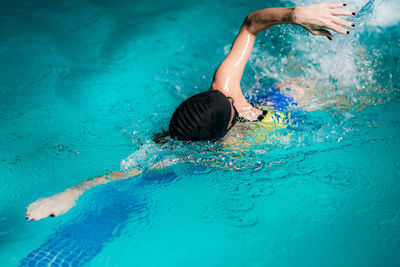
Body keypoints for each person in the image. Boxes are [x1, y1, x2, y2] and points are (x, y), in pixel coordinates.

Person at [26, 3, 356, 221]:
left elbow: (251, 23)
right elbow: (251, 24)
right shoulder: (222, 106)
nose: (232, 98)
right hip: (290, 108)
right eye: (230, 103)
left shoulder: (224, 91)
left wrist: (297, 14)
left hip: (288, 103)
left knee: (310, 85)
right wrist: (69, 193)